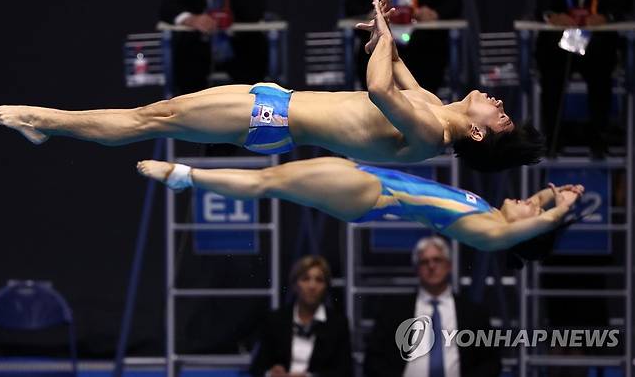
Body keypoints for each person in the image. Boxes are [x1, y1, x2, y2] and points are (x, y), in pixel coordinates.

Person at [0, 0, 543, 172]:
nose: (497, 102)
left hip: (272, 120)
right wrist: (382, 28)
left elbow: (378, 89)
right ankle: (46, 124)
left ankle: (44, 122)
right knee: (152, 118)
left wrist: (386, 43)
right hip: (275, 104)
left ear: (478, 135)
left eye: (502, 116)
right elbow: (390, 67)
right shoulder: (434, 107)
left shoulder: (430, 133)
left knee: (149, 120)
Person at [136, 156, 583, 252]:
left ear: (532, 229)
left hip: (369, 193)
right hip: (368, 179)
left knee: (266, 182)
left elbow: (529, 225)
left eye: (532, 207)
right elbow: (534, 210)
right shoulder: (487, 209)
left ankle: (184, 177)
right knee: (267, 180)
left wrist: (559, 212)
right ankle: (185, 177)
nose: (528, 200)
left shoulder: (490, 233)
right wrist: (556, 197)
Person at [364, 236, 501, 377]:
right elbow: (374, 361)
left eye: (437, 260)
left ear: (449, 266)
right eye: (424, 262)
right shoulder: (392, 312)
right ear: (416, 269)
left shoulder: (474, 313)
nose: (431, 266)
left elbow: (490, 362)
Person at [534, 0, 627, 157]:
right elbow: (542, 6)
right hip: (558, 45)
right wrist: (553, 16)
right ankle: (553, 139)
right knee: (551, 72)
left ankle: (599, 139)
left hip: (597, 45)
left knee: (602, 72)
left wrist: (606, 17)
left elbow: (619, 5)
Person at [345, 0, 461, 93]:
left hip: (425, 48)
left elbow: (455, 4)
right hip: (379, 46)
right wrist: (373, 13)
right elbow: (351, 6)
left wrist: (435, 14)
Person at [159, 0, 267, 93]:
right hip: (199, 42)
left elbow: (254, 12)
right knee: (187, 65)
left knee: (253, 59)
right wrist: (191, 19)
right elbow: (168, 7)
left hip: (240, 43)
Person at [249, 255, 353, 377]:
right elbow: (256, 368)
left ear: (326, 287)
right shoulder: (275, 320)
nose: (312, 286)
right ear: (294, 285)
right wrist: (270, 374)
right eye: (305, 279)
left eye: (319, 280)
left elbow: (344, 372)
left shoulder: (338, 324)